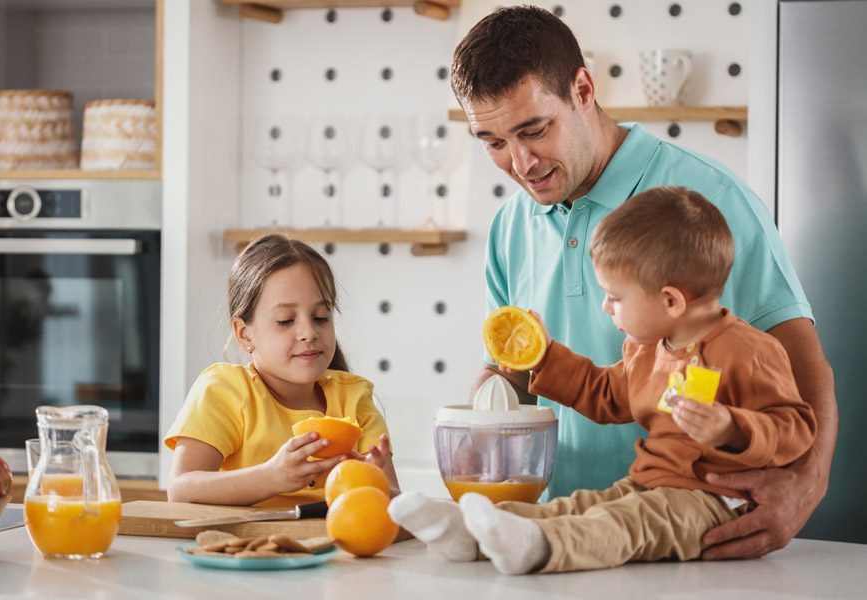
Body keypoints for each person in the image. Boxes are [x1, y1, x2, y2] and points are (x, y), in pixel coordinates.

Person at [450, 5, 836, 560]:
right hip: (555, 543)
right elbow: (512, 370)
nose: (520, 162)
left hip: (692, 529)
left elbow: (801, 363)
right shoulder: (510, 226)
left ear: (583, 89)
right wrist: (479, 421)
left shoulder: (709, 201)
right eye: (491, 141)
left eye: (534, 130)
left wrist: (807, 483)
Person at [389, 186, 818, 574]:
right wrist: (545, 355)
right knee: (581, 505)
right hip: (651, 482)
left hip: (716, 501)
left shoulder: (750, 352)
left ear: (670, 300)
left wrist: (732, 427)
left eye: (615, 297)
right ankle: (468, 532)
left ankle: (539, 548)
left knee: (624, 525)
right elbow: (605, 394)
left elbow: (796, 426)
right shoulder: (649, 348)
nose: (607, 308)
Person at [164, 234, 399, 508]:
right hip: (248, 549)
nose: (309, 332)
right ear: (244, 334)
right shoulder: (224, 390)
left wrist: (371, 481)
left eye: (321, 317)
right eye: (285, 321)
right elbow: (180, 489)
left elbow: (394, 497)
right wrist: (270, 478)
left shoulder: (355, 397)